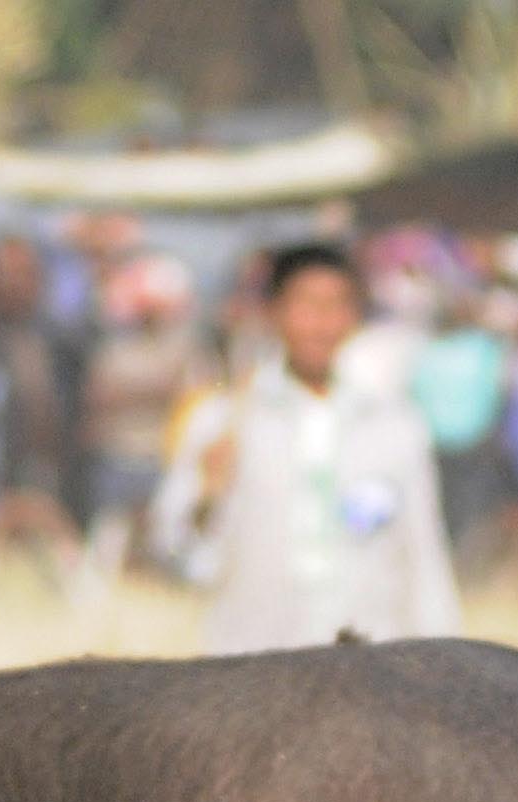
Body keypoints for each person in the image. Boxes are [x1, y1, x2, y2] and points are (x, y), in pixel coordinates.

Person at [164, 242, 458, 654]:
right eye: (305, 305)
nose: (322, 322)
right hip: (255, 661)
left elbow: (423, 557)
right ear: (273, 313)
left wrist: (440, 659)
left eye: (337, 305)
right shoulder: (224, 421)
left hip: (369, 664)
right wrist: (208, 499)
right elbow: (181, 555)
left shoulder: (394, 426)